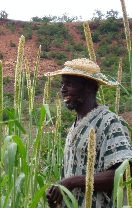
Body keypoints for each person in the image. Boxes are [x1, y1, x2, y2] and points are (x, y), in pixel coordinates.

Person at [44, 58, 132, 208]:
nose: (63, 89)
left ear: (89, 87)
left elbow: (124, 173)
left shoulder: (109, 122)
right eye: (62, 84)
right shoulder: (74, 127)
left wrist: (71, 182)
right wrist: (58, 193)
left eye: (69, 84)